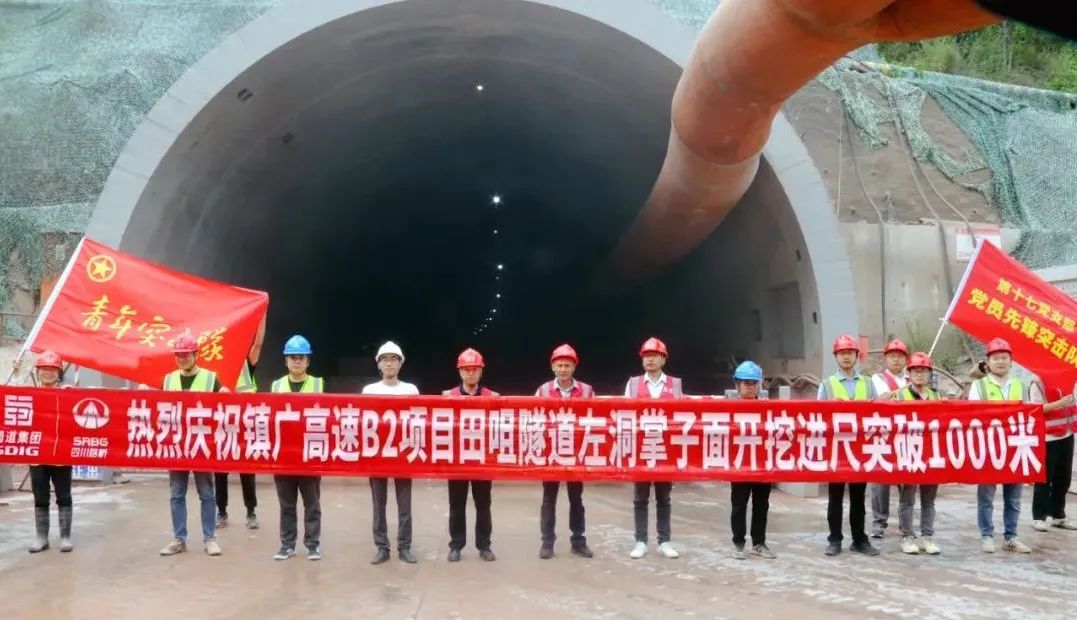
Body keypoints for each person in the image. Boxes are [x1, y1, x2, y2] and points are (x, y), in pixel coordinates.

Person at [971, 338, 1072, 553]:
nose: (1000, 362)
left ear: (1011, 361)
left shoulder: (1020, 385)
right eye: (995, 358)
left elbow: (1032, 415)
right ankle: (987, 535)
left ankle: (1011, 536)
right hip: (989, 448)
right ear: (988, 362)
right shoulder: (978, 386)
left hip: (1016, 448)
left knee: (1013, 497)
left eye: (1004, 358)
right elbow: (972, 416)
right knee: (986, 496)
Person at [160, 335, 224, 557]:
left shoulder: (210, 379)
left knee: (206, 493)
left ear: (196, 354)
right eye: (178, 355)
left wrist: (227, 396)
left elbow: (224, 406)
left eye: (186, 354)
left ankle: (210, 538)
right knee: (176, 494)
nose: (182, 358)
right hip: (177, 446)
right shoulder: (168, 380)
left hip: (201, 444)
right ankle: (179, 539)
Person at [818, 334, 880, 557]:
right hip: (836, 449)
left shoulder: (868, 383)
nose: (846, 357)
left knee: (858, 497)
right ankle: (835, 539)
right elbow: (818, 417)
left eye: (850, 353)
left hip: (860, 449)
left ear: (856, 356)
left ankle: (859, 539)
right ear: (836, 356)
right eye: (842, 353)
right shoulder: (827, 385)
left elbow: (878, 414)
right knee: (835, 497)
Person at [361, 341, 419, 564]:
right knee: (379, 503)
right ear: (378, 364)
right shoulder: (369, 391)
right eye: (384, 359)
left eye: (394, 359)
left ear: (401, 363)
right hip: (377, 455)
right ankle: (382, 547)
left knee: (405, 505)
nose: (389, 363)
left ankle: (404, 546)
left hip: (403, 454)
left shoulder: (410, 390)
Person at [535, 344, 594, 559]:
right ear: (552, 366)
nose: (563, 369)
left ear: (574, 367)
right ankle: (547, 543)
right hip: (551, 453)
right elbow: (535, 419)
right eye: (559, 365)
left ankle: (578, 542)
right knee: (548, 499)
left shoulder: (587, 391)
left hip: (576, 453)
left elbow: (596, 419)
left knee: (576, 499)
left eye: (567, 365)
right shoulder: (542, 391)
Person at [625, 337, 682, 560]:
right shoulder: (633, 384)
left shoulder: (675, 384)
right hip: (642, 448)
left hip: (665, 449)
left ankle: (664, 541)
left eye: (654, 356)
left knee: (663, 498)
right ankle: (640, 541)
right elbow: (625, 414)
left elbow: (682, 415)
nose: (650, 359)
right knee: (640, 498)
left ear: (663, 359)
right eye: (646, 356)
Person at [271, 335, 325, 561]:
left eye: (301, 357)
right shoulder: (276, 385)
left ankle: (312, 544)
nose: (296, 361)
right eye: (292, 357)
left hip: (309, 453)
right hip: (284, 453)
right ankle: (287, 545)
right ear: (285, 360)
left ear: (308, 361)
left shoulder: (318, 384)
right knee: (286, 504)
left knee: (312, 503)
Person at [443, 348, 498, 562]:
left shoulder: (493, 398)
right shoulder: (448, 397)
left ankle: (484, 546)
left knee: (483, 505)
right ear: (460, 372)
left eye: (475, 369)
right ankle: (456, 545)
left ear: (481, 371)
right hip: (457, 460)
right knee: (456, 505)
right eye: (466, 369)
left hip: (482, 461)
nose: (471, 373)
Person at [728, 361, 776, 560]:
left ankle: (759, 543)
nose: (750, 386)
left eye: (753, 383)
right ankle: (738, 543)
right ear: (737, 385)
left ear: (759, 385)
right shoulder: (728, 409)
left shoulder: (768, 408)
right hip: (739, 464)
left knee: (761, 504)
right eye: (745, 383)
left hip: (762, 463)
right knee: (739, 505)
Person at [895, 352, 942, 555]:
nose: (920, 374)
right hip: (909, 451)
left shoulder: (937, 396)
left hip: (932, 452)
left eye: (923, 370)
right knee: (907, 498)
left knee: (928, 500)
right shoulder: (900, 396)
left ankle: (927, 537)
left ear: (930, 373)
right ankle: (907, 537)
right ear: (909, 373)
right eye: (915, 370)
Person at [27, 351, 73, 553]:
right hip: (37, 454)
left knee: (64, 495)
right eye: (44, 368)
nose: (48, 372)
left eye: (53, 369)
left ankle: (65, 537)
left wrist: (73, 394)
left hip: (61, 454)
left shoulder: (67, 393)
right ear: (37, 371)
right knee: (40, 497)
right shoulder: (28, 395)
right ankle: (42, 538)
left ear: (59, 372)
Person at [215, 336, 262, 530]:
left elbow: (257, 343)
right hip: (222, 424)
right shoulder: (214, 365)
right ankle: (221, 511)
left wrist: (261, 318)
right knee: (220, 471)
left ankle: (251, 511)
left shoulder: (246, 363)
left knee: (247, 471)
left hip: (244, 425)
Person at [869, 339, 908, 538]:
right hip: (883, 435)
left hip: (906, 435)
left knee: (907, 482)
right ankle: (879, 522)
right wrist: (904, 392)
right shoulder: (877, 379)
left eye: (900, 356)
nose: (896, 360)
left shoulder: (912, 377)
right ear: (886, 359)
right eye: (892, 356)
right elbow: (880, 399)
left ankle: (905, 522)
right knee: (880, 481)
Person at [1031, 373, 1077, 533]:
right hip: (1048, 437)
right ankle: (1039, 516)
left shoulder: (1069, 379)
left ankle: (1058, 515)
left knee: (1063, 478)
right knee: (1044, 478)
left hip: (1067, 433)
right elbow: (1035, 409)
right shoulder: (1038, 382)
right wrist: (1059, 404)